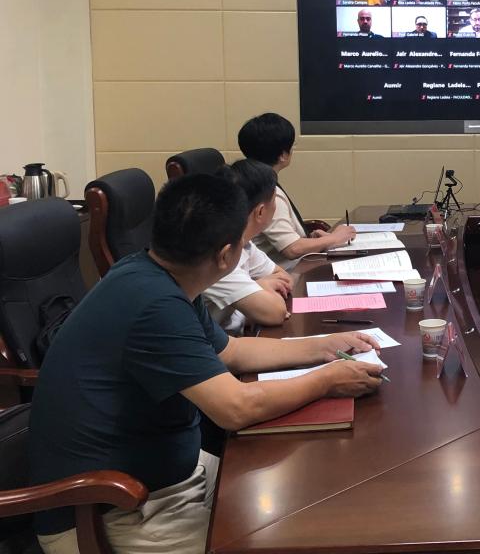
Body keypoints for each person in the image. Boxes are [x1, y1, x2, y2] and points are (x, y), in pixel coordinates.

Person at [28, 174, 384, 554]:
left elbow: (232, 352)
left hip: (169, 478)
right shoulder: (154, 304)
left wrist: (324, 346)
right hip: (114, 509)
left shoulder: (158, 274)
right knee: (294, 538)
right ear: (226, 255)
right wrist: (326, 380)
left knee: (304, 502)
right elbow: (236, 408)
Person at [238, 113, 357, 263]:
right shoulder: (267, 195)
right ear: (283, 155)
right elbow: (292, 249)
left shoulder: (253, 183)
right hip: (286, 271)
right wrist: (335, 238)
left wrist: (312, 240)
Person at [203, 160, 292, 333]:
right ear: (260, 211)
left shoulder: (243, 242)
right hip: (217, 345)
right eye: (274, 200)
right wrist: (260, 287)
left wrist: (257, 287)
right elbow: (275, 312)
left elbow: (284, 279)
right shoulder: (218, 256)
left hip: (236, 337)